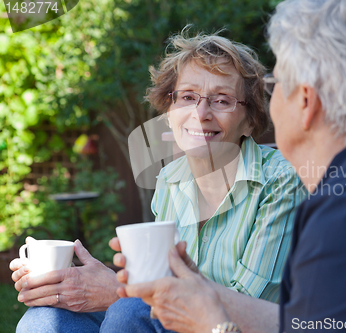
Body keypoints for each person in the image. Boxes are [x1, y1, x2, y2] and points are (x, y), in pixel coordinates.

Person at [113, 0, 346, 332]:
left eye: (276, 82)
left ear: (306, 103)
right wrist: (202, 289)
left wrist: (212, 323)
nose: (269, 98)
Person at [10, 32, 306, 332]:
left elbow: (246, 306)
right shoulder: (170, 181)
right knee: (44, 319)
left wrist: (118, 290)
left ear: (250, 120)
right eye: (188, 97)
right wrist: (79, 284)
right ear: (168, 112)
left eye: (221, 100)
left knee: (129, 310)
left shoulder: (280, 182)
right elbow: (159, 281)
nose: (200, 114)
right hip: (173, 320)